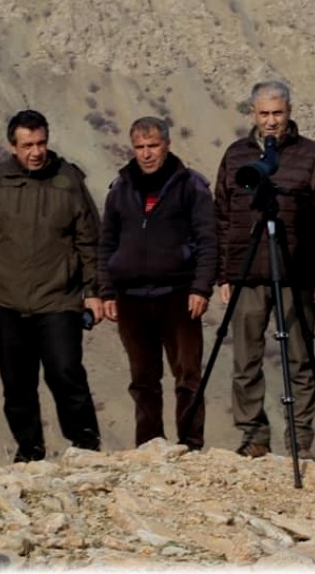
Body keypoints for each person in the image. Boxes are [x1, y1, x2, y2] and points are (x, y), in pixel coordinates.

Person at [214, 80, 315, 459]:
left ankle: (300, 442)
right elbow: (221, 215)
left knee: (300, 361)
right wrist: (224, 274)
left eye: (278, 113)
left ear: (289, 112)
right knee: (245, 361)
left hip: (297, 273)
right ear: (253, 113)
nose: (271, 121)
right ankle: (253, 436)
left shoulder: (313, 156)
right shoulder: (236, 155)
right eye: (264, 113)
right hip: (246, 273)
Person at [0, 109, 103, 462]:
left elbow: (90, 239)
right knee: (17, 382)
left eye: (41, 143)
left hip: (58, 297)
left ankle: (85, 441)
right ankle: (30, 449)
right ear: (13, 146)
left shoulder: (68, 179)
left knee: (65, 371)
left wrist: (95, 292)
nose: (36, 152)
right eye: (28, 145)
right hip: (4, 301)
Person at [98, 116, 216, 450]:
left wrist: (201, 287)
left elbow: (208, 240)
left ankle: (190, 445)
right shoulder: (120, 189)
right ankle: (149, 446)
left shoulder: (190, 185)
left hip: (178, 295)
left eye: (153, 146)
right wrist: (107, 290)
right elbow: (107, 242)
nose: (147, 154)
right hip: (130, 297)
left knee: (187, 375)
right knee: (143, 379)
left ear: (167, 144)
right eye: (139, 147)